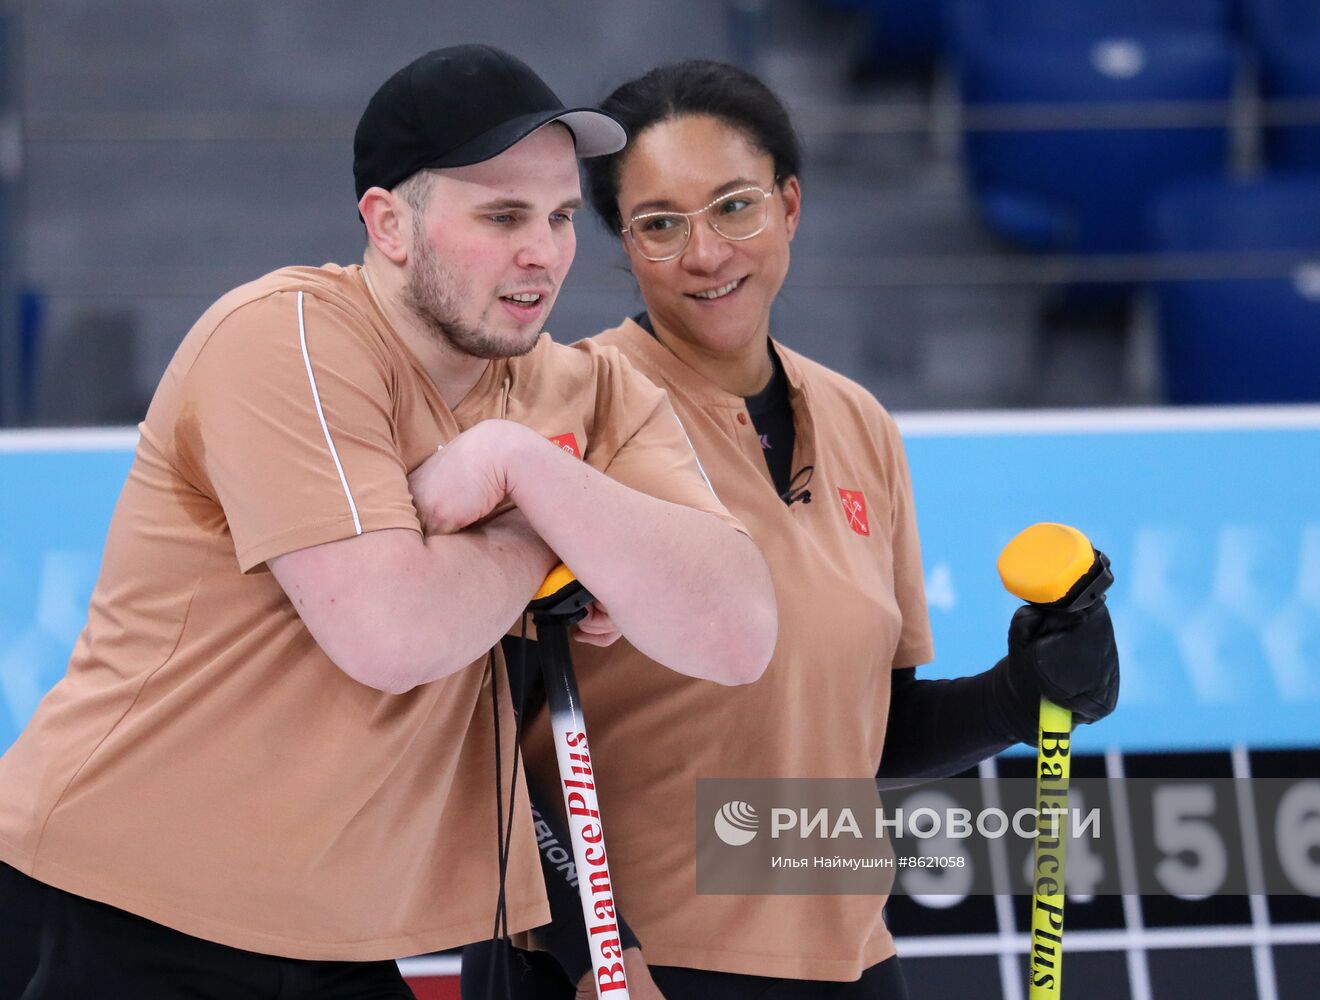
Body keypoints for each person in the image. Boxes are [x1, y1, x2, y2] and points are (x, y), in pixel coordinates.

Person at [0, 46, 779, 1000]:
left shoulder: (594, 390)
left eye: (562, 217)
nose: (543, 252)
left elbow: (736, 631)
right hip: (116, 898)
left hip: (343, 933)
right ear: (389, 224)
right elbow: (391, 631)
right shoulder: (286, 338)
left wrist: (521, 465)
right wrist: (556, 531)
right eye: (501, 217)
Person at [461, 61, 1119, 999]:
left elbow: (861, 734)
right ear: (622, 243)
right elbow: (474, 750)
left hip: (845, 956)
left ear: (791, 205)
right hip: (626, 968)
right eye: (659, 224)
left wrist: (1025, 693)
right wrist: (592, 951)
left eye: (735, 206)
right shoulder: (561, 411)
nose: (705, 252)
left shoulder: (859, 424)